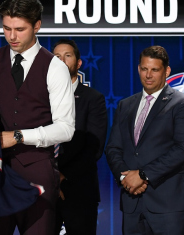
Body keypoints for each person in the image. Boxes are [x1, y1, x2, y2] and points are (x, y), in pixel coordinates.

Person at [0, 0, 75, 235]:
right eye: (6, 28)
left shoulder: (55, 67)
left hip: (37, 171)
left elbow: (65, 128)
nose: (12, 36)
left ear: (37, 26)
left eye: (19, 29)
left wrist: (19, 136)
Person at [105, 46, 184, 235]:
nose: (148, 75)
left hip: (168, 204)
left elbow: (182, 150)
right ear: (139, 69)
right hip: (132, 202)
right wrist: (125, 178)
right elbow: (113, 148)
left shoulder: (182, 104)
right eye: (144, 69)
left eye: (155, 70)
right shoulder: (125, 105)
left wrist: (142, 175)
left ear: (167, 71)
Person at [52, 39, 107, 234]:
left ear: (79, 63)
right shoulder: (40, 99)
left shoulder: (93, 98)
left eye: (67, 56)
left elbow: (94, 147)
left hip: (79, 190)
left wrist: (61, 175)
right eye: (57, 57)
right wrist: (48, 176)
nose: (62, 61)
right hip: (44, 190)